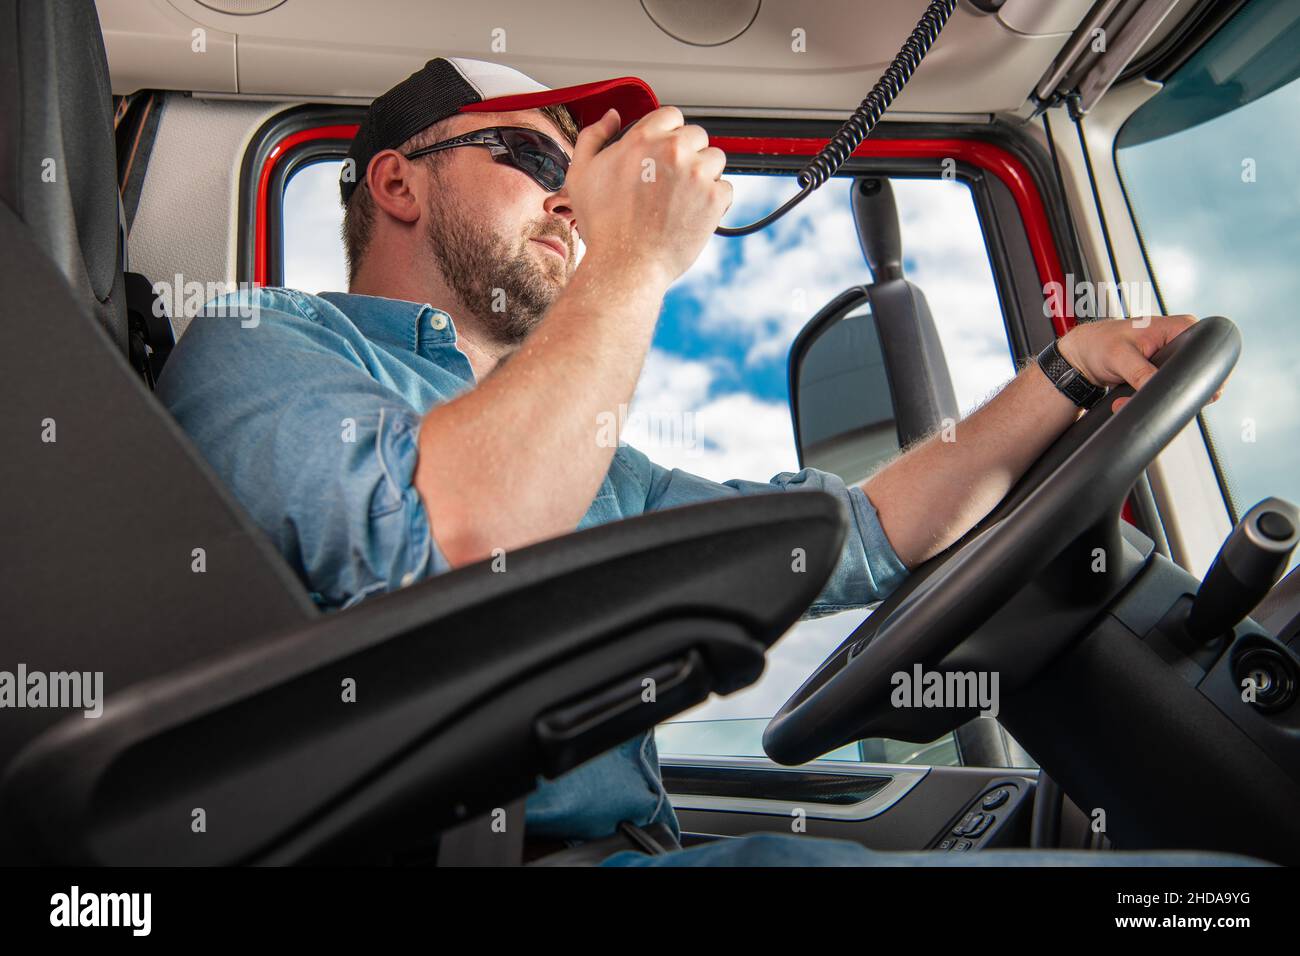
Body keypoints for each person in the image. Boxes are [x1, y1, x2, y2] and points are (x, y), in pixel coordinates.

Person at [157, 57, 1235, 866]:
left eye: (581, 180)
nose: (571, 205)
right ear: (398, 182)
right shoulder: (267, 339)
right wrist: (631, 260)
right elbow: (456, 545)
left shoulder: (586, 459)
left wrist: (1060, 369)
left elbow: (854, 532)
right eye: (538, 161)